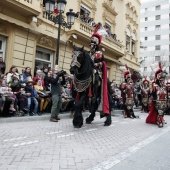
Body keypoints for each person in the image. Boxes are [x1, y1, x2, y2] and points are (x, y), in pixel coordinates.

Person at [86, 23, 111, 126]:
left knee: (96, 78)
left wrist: (99, 63)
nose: (92, 42)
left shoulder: (99, 53)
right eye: (92, 40)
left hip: (97, 72)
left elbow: (104, 62)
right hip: (89, 71)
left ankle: (108, 118)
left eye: (94, 40)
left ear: (97, 42)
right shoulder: (88, 53)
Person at [146, 62, 167, 127]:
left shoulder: (164, 86)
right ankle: (158, 120)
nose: (162, 80)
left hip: (163, 100)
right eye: (159, 75)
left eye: (162, 79)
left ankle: (161, 119)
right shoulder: (154, 85)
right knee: (156, 111)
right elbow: (152, 93)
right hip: (156, 100)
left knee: (162, 111)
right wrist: (153, 99)